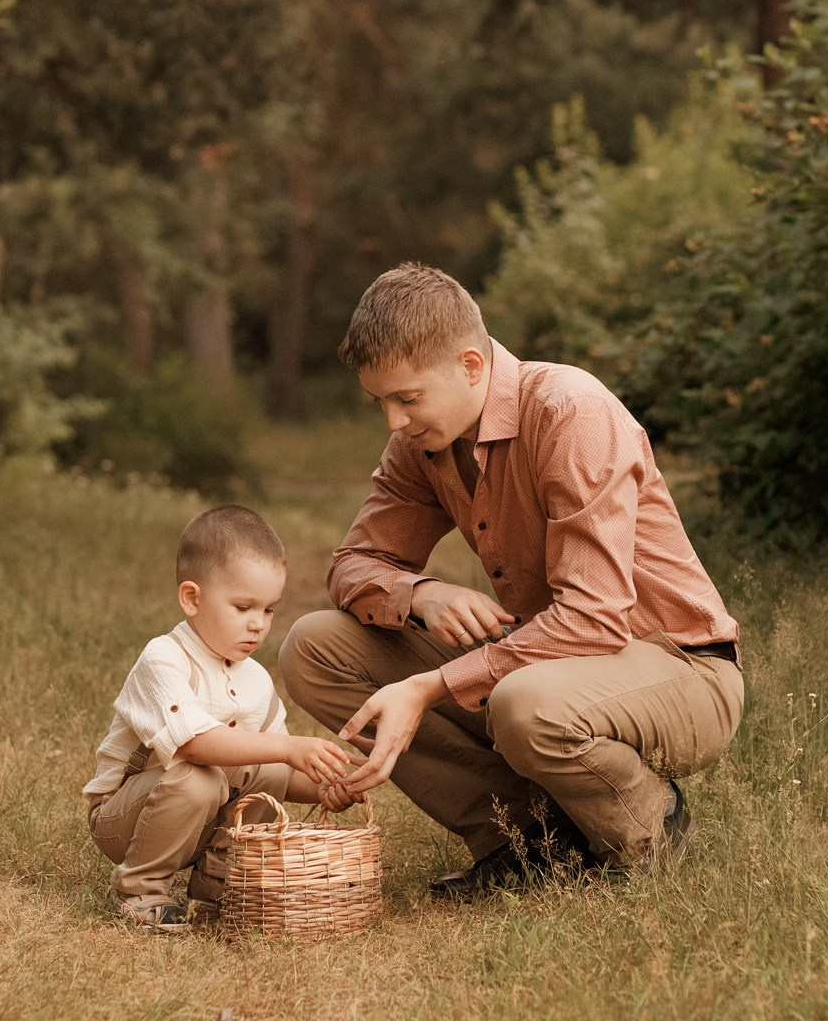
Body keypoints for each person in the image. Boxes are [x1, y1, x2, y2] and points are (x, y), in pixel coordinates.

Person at [279, 263, 743, 898]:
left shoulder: (571, 412)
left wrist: (431, 685)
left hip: (681, 668)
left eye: (407, 398)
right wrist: (419, 594)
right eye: (379, 402)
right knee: (313, 647)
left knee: (522, 704)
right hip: (552, 662)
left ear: (472, 365)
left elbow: (595, 618)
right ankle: (525, 840)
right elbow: (353, 565)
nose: (392, 421)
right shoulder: (423, 441)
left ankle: (649, 831)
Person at [83, 505, 361, 932]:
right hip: (125, 821)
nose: (258, 624)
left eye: (268, 610)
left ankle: (218, 878)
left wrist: (327, 787)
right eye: (242, 606)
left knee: (266, 765)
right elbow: (197, 745)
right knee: (201, 774)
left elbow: (277, 774)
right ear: (192, 598)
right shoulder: (164, 659)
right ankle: (142, 888)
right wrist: (289, 748)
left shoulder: (254, 679)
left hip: (199, 820)